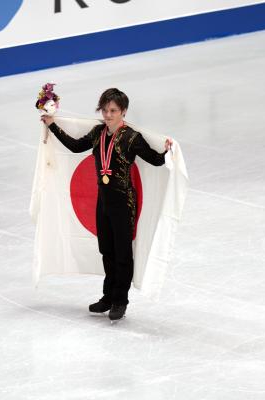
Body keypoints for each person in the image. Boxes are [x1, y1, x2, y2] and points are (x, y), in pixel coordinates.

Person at [41, 88, 172, 321]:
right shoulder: (98, 133)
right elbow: (75, 146)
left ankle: (120, 300)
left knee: (122, 253)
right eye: (104, 110)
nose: (108, 115)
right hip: (103, 202)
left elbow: (155, 159)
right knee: (106, 251)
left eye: (113, 110)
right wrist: (52, 125)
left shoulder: (131, 137)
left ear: (123, 111)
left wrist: (168, 150)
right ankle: (108, 296)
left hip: (124, 203)